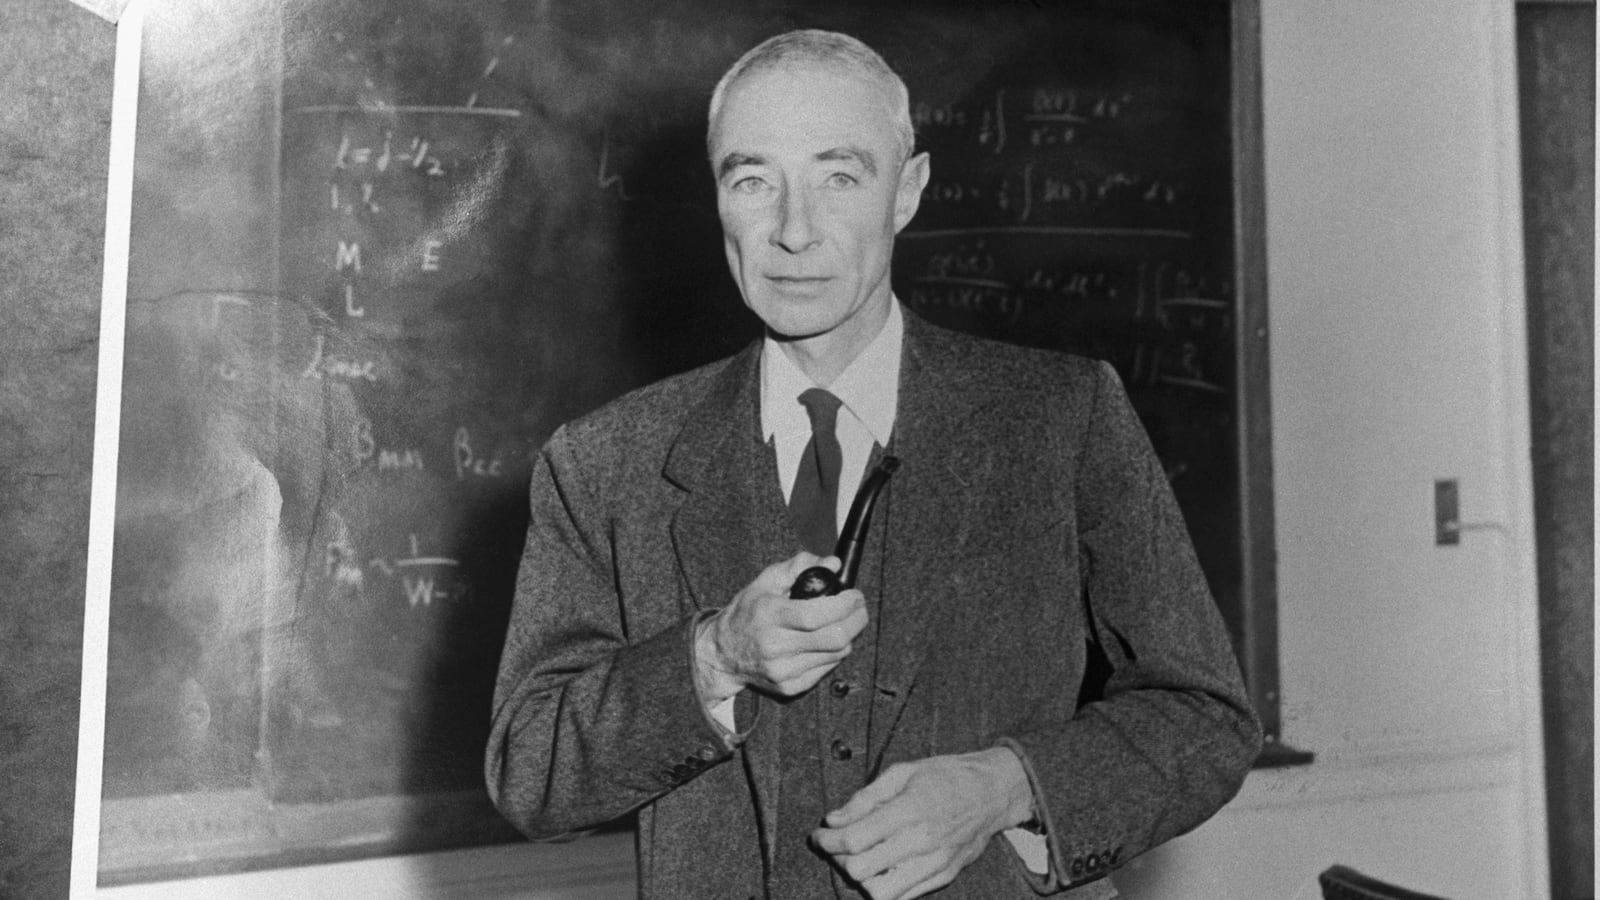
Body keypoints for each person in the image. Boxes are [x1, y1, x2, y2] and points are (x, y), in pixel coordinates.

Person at [486, 28, 1261, 900]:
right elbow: (531, 771)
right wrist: (713, 659)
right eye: (753, 180)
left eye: (839, 177)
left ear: (908, 192)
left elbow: (1206, 717)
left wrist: (1004, 786)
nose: (793, 230)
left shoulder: (1060, 418)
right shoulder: (603, 462)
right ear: (718, 200)